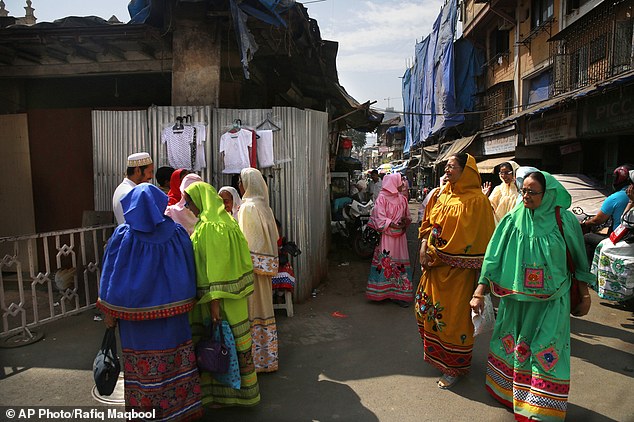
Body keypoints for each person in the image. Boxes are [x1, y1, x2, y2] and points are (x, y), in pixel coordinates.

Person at [471, 171, 594, 421]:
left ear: (547, 194)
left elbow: (580, 259)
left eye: (532, 192)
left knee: (545, 350)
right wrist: (479, 291)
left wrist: (585, 294)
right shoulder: (512, 220)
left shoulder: (565, 221)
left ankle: (540, 408)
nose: (525, 196)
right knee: (513, 346)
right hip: (515, 301)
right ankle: (508, 393)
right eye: (523, 190)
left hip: (552, 300)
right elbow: (493, 256)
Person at [97, 184, 202, 420]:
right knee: (176, 361)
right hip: (174, 318)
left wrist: (109, 312)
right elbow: (189, 268)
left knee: (141, 369)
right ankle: (180, 411)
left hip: (136, 323)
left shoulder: (124, 236)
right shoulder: (176, 233)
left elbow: (110, 274)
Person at [416, 153, 495, 389]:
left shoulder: (477, 201)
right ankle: (438, 358)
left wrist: (437, 254)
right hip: (433, 271)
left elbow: (479, 239)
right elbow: (428, 223)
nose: (447, 171)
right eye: (447, 167)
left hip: (458, 274)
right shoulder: (440, 195)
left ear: (466, 170)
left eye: (452, 166)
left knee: (454, 322)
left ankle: (454, 367)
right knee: (429, 313)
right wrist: (423, 246)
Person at [183, 181, 261, 407]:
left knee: (218, 343)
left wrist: (214, 304)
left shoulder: (210, 227)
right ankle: (242, 392)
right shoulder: (226, 221)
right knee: (233, 343)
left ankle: (221, 396)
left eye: (190, 202)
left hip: (217, 301)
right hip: (233, 299)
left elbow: (215, 269)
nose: (188, 207)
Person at [237, 168, 280, 373]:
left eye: (241, 181)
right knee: (264, 310)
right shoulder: (264, 206)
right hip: (265, 269)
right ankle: (267, 358)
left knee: (253, 312)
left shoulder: (249, 207)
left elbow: (249, 242)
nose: (239, 185)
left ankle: (255, 361)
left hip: (252, 270)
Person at [366, 173, 413, 307]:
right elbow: (379, 218)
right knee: (387, 261)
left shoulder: (402, 199)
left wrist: (405, 221)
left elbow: (407, 216)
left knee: (399, 262)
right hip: (387, 236)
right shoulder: (381, 198)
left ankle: (398, 294)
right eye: (400, 182)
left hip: (400, 237)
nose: (402, 184)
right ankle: (383, 293)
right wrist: (393, 224)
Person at [591, 177, 634, 304]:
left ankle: (600, 284)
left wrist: (631, 201)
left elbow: (625, 221)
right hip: (625, 240)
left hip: (627, 243)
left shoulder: (617, 197)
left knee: (602, 247)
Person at [582, 164, 633, 233]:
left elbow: (597, 220)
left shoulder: (615, 197)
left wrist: (584, 224)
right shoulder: (627, 198)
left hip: (622, 238)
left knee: (587, 237)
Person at [112, 152, 154, 225]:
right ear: (137, 171)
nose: (151, 176)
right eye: (149, 172)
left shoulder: (123, 188)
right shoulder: (130, 192)